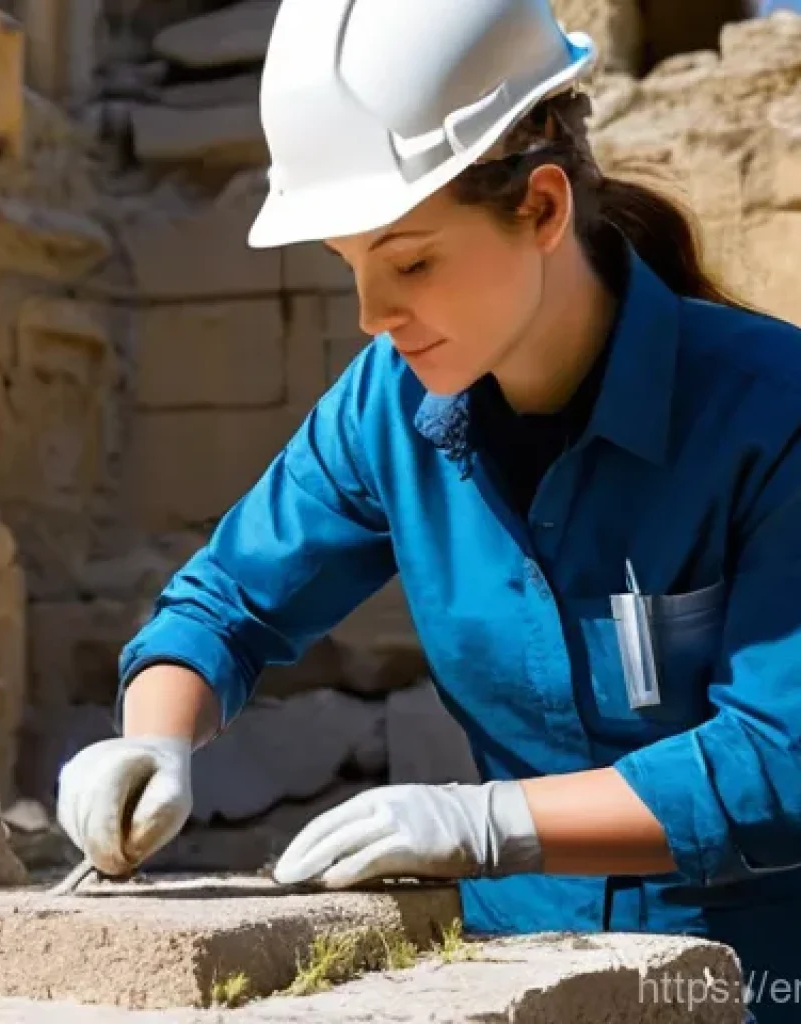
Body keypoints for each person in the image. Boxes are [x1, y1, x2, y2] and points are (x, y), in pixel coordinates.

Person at [57, 1, 801, 1018]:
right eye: (348, 267)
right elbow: (226, 602)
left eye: (409, 262)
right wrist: (156, 737)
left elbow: (778, 754)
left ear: (541, 209)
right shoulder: (388, 406)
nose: (372, 315)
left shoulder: (773, 414)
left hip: (756, 979)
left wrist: (483, 821)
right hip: (522, 973)